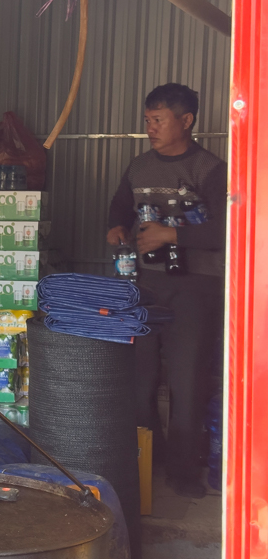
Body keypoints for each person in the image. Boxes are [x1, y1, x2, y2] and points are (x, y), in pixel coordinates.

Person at [106, 83, 226, 499]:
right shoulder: (139, 167)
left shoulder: (210, 169)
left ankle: (184, 472)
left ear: (186, 121)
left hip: (196, 288)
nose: (150, 128)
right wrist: (116, 227)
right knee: (140, 377)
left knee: (186, 380)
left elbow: (227, 230)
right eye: (147, 120)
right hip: (146, 286)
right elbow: (120, 205)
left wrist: (169, 234)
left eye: (158, 120)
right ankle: (147, 461)